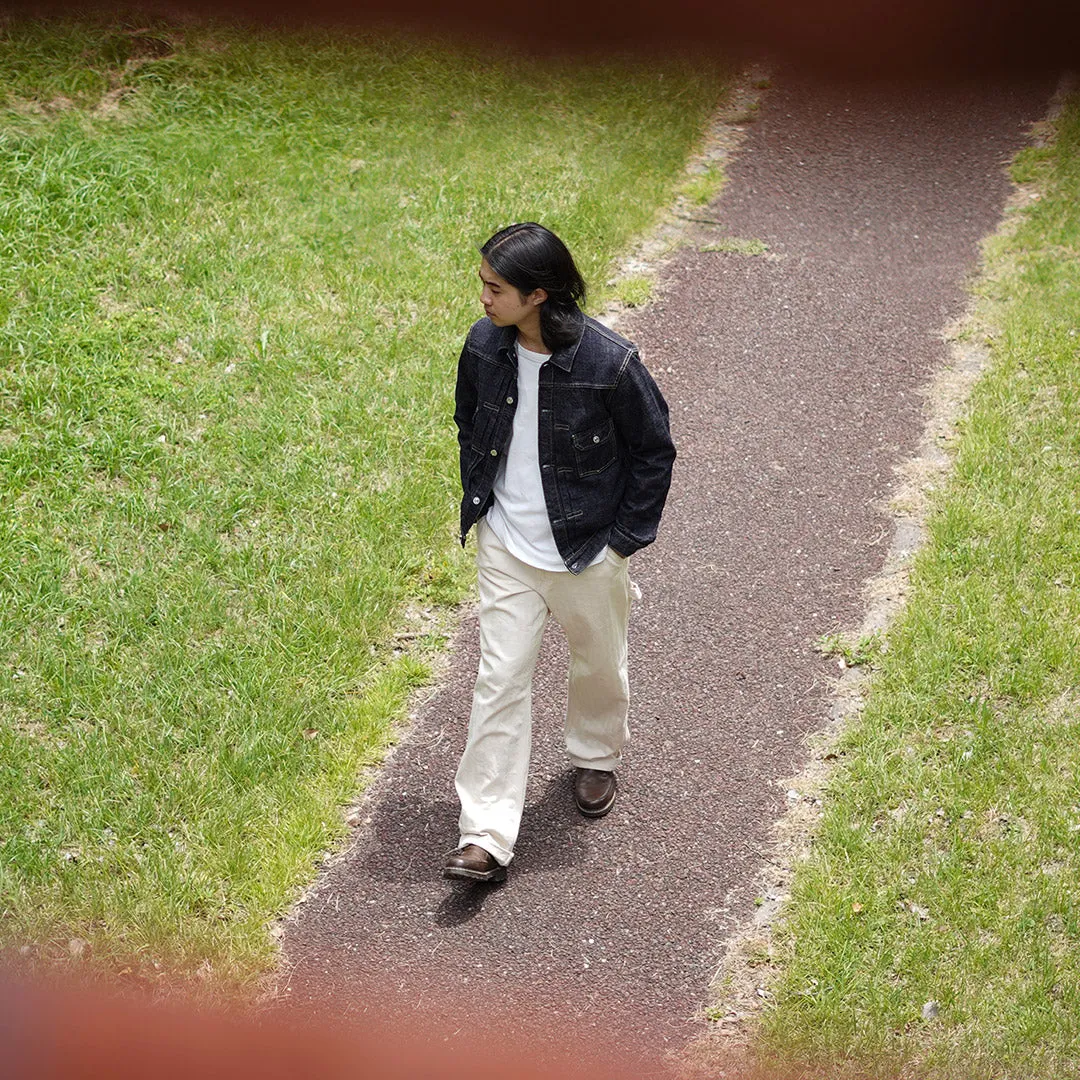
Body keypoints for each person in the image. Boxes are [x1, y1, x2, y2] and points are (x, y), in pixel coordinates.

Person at [445, 222, 675, 883]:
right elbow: (469, 420)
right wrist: (485, 504)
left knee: (598, 662)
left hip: (585, 550)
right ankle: (484, 835)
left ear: (538, 295)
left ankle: (596, 754)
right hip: (507, 548)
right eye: (482, 284)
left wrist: (623, 542)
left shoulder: (610, 364)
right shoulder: (484, 348)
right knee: (499, 682)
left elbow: (653, 451)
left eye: (496, 288)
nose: (483, 299)